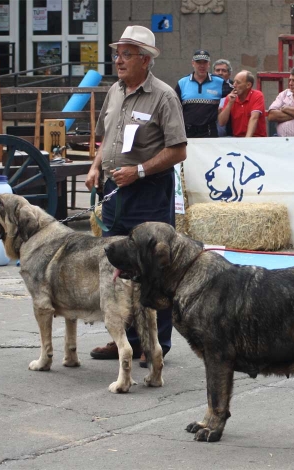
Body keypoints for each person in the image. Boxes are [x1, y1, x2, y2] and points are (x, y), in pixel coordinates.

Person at [86, 25, 187, 367]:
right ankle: (124, 340)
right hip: (117, 192)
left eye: (126, 54)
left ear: (145, 60)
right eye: (118, 53)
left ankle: (156, 344)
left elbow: (178, 150)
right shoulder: (114, 92)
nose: (119, 60)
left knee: (153, 268)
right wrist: (96, 166)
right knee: (117, 266)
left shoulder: (163, 96)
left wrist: (140, 170)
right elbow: (106, 138)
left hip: (149, 192)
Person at [175, 50, 224, 138]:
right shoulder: (182, 83)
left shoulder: (219, 82)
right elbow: (174, 108)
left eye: (204, 62)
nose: (202, 66)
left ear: (208, 64)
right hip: (187, 132)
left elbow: (236, 90)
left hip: (209, 132)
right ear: (193, 63)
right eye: (198, 62)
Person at [218, 70, 267, 137]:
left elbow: (254, 118)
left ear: (248, 85)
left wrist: (246, 141)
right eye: (234, 81)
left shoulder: (257, 95)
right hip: (237, 139)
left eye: (238, 83)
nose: (234, 85)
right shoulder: (229, 97)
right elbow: (221, 123)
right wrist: (229, 103)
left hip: (256, 138)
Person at [212, 59, 234, 136]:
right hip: (210, 133)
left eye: (224, 70)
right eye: (217, 70)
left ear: (229, 73)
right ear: (213, 73)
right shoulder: (207, 87)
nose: (220, 73)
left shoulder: (235, 88)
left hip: (230, 133)